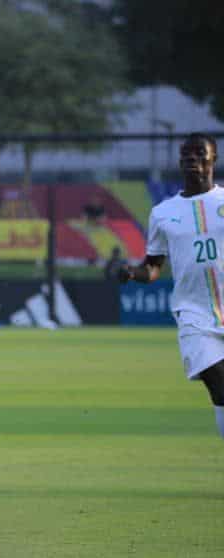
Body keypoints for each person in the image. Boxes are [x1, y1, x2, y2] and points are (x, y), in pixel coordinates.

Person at [119, 132, 224, 440]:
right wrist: (130, 272)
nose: (193, 159)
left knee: (221, 398)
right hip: (194, 314)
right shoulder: (163, 213)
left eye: (200, 154)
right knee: (219, 383)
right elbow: (153, 267)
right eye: (187, 155)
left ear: (213, 160)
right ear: (179, 163)